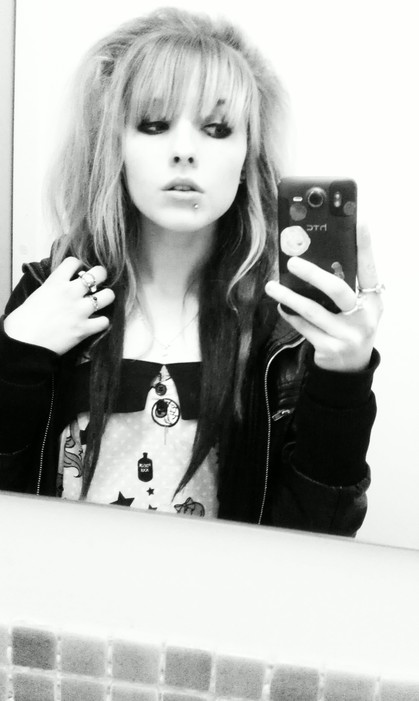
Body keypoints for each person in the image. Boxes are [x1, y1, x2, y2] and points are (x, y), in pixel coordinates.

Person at [0, 7, 383, 534]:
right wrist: (15, 359)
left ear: (247, 156)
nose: (184, 151)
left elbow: (319, 538)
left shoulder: (287, 331)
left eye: (216, 129)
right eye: (154, 125)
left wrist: (344, 382)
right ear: (114, 147)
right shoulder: (49, 296)